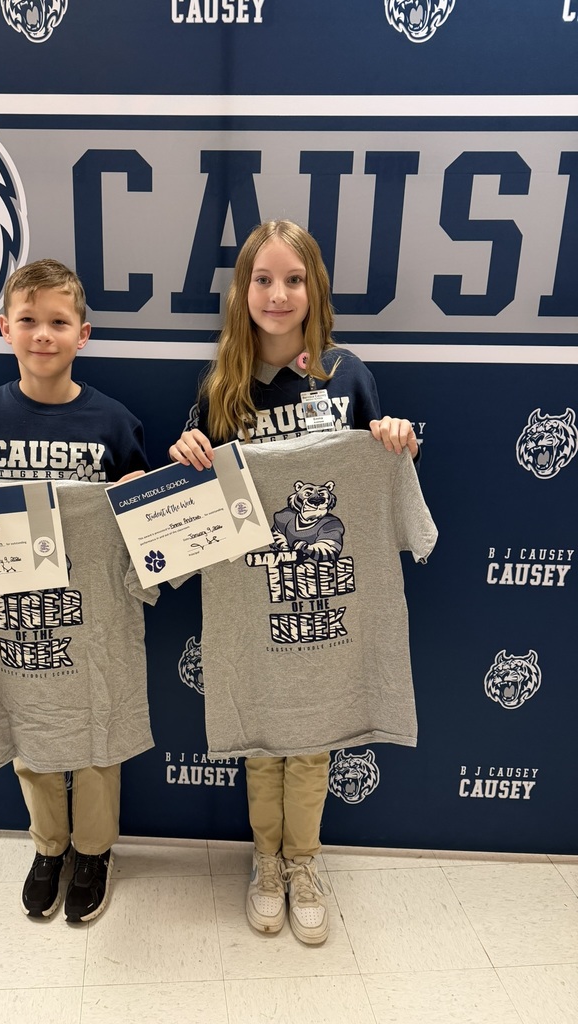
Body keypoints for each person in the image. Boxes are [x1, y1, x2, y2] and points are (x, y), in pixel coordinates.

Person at [169, 220, 419, 945]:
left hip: (326, 598)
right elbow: (190, 508)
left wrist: (396, 439)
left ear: (315, 290)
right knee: (262, 737)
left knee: (311, 743)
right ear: (242, 291)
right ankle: (265, 863)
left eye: (294, 279)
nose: (278, 295)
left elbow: (386, 479)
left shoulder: (348, 376)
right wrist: (188, 448)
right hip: (253, 601)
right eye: (263, 279)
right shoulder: (222, 387)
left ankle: (303, 862)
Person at [0, 259, 148, 924]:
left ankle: (95, 851)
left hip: (92, 615)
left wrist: (140, 501)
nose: (44, 334)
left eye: (59, 322)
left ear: (83, 333)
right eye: (31, 321)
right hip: (11, 617)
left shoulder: (114, 422)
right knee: (32, 731)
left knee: (96, 733)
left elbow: (145, 515)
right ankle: (50, 847)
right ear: (5, 329)